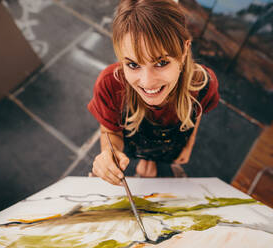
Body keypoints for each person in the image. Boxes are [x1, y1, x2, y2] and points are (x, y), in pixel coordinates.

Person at [88, 0, 219, 185]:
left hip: (172, 145)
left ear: (183, 51)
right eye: (133, 64)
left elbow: (196, 114)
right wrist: (110, 153)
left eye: (161, 63)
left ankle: (154, 160)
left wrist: (189, 145)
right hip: (135, 142)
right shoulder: (110, 84)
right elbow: (109, 131)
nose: (147, 83)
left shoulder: (203, 84)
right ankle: (146, 158)